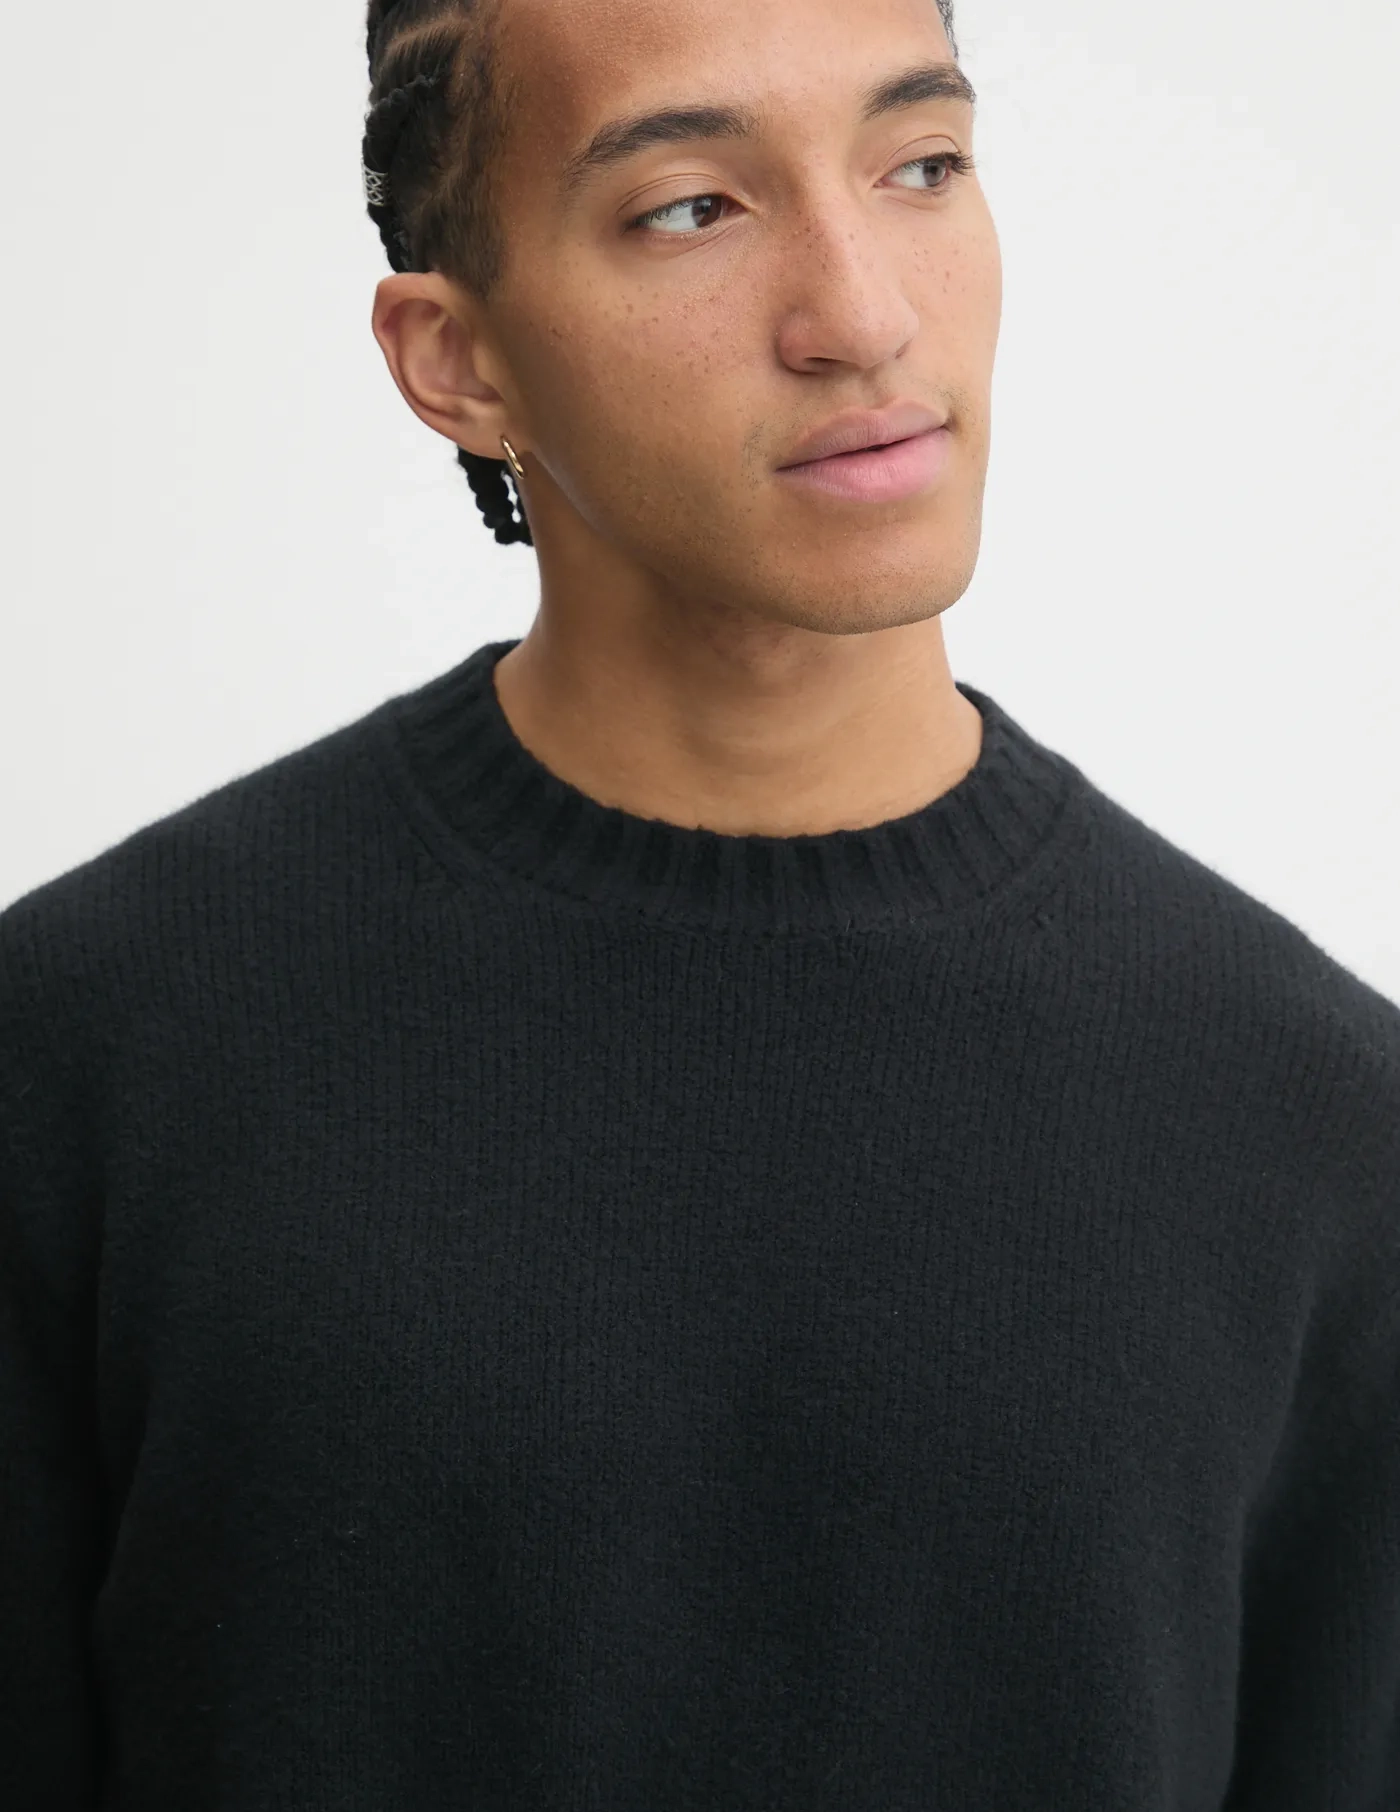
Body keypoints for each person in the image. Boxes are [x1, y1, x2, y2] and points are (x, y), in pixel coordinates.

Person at [2, 0, 1397, 1804]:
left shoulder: (1318, 1129)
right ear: (457, 360)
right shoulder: (85, 1062)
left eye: (921, 167)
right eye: (690, 208)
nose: (862, 317)